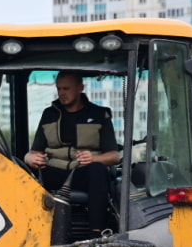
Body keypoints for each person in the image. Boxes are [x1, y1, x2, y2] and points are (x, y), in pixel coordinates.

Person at [23, 71, 122, 234]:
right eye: (59, 89)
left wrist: (94, 158)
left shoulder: (98, 114)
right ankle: (29, 230)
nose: (62, 93)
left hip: (82, 173)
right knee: (25, 172)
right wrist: (29, 158)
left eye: (66, 89)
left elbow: (114, 156)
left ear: (80, 88)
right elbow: (33, 152)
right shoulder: (49, 114)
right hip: (55, 171)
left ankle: (96, 233)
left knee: (97, 170)